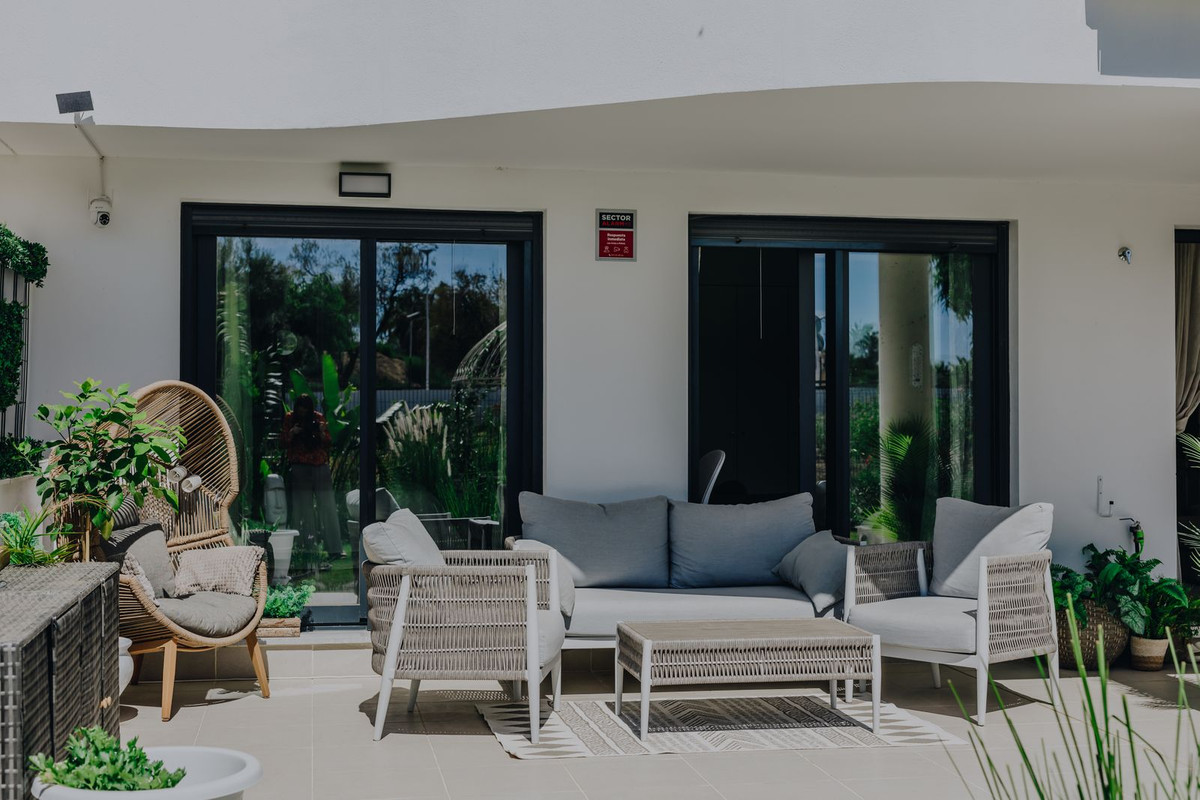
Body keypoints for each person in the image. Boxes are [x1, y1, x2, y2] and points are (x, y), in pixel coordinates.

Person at [282, 394, 343, 566]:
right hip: (300, 465)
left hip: (319, 465)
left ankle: (334, 548)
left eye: (306, 409)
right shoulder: (290, 419)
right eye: (300, 409)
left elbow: (329, 442)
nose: (303, 412)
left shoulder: (318, 418)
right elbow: (283, 442)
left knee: (328, 506)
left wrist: (321, 432)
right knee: (304, 509)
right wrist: (293, 433)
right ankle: (309, 546)